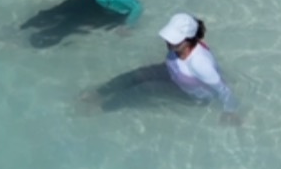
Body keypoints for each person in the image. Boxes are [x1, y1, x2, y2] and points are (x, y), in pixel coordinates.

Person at [81, 13, 240, 117]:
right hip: (174, 73)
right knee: (138, 74)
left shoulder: (199, 63)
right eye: (169, 38)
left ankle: (105, 108)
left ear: (188, 39)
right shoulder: (179, 48)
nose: (169, 42)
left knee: (146, 89)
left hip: (189, 94)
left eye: (174, 40)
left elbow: (223, 89)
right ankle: (100, 93)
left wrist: (230, 112)